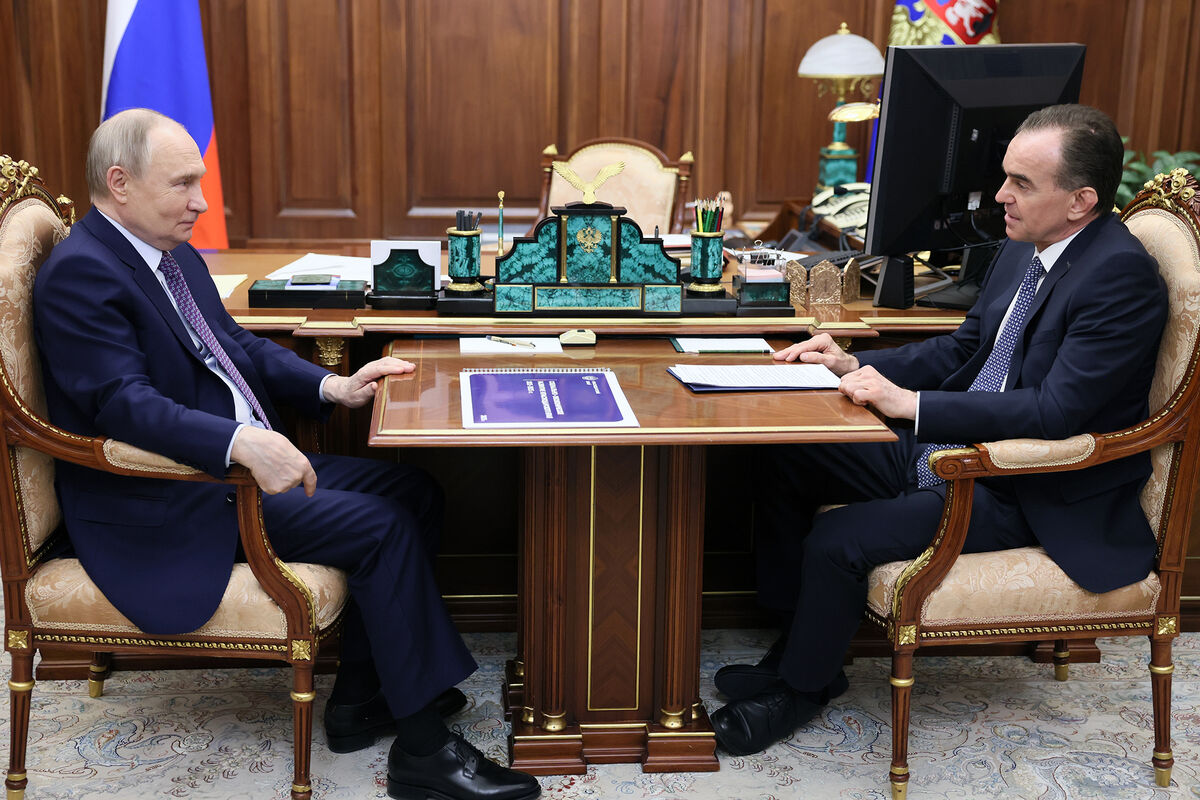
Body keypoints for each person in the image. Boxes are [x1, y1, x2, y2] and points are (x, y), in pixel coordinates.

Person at [33, 108, 540, 800]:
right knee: (381, 527)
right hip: (173, 496)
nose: (201, 202)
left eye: (199, 182)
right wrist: (240, 441)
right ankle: (424, 752)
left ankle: (361, 697)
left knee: (415, 491)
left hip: (229, 468)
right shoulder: (81, 275)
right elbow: (123, 405)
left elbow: (234, 345)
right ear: (119, 183)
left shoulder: (168, 253)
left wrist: (332, 386)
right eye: (182, 184)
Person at [710, 104, 1169, 756]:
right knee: (789, 454)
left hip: (1027, 486)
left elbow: (1055, 412)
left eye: (1022, 183)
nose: (1001, 196)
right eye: (1006, 177)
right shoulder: (1024, 243)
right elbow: (964, 348)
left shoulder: (1120, 276)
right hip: (955, 449)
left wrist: (912, 406)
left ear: (1080, 201)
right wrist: (855, 365)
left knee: (840, 537)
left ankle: (801, 692)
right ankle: (802, 651)